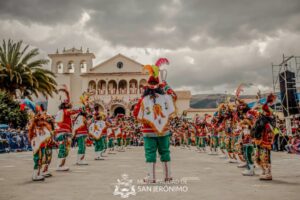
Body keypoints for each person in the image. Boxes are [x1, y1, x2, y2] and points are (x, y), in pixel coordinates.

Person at [134, 58, 177, 183]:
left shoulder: (143, 99)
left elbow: (136, 113)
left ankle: (152, 177)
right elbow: (174, 97)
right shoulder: (165, 97)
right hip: (163, 130)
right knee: (165, 151)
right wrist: (166, 84)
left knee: (150, 152)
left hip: (148, 130)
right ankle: (168, 176)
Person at [54, 87, 80, 171]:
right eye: (68, 104)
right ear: (65, 105)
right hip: (63, 133)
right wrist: (80, 108)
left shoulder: (60, 112)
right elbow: (72, 111)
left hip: (61, 133)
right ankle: (59, 166)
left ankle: (61, 165)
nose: (70, 105)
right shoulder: (65, 111)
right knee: (63, 149)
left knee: (64, 149)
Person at [28, 114, 52, 181]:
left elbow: (47, 135)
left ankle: (38, 174)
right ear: (36, 121)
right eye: (39, 120)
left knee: (41, 160)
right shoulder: (34, 128)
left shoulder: (44, 128)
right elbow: (34, 139)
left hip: (42, 146)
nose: (41, 121)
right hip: (37, 147)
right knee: (37, 160)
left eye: (42, 120)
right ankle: (35, 175)